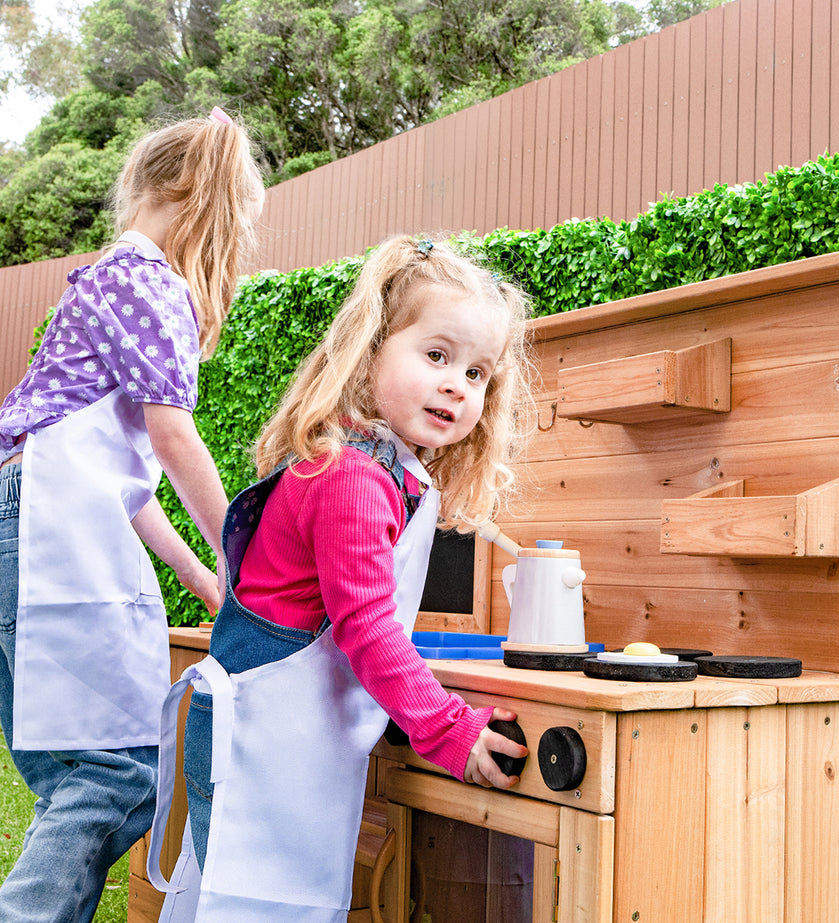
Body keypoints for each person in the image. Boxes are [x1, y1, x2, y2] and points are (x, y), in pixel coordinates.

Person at [147, 235, 535, 921]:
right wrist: (450, 729)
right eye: (436, 355)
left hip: (284, 737)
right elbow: (365, 625)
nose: (456, 383)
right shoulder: (352, 477)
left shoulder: (383, 471)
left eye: (477, 373)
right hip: (263, 742)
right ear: (371, 350)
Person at [0, 108, 264, 923]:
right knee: (112, 774)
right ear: (193, 193)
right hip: (40, 519)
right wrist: (245, 553)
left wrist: (197, 571)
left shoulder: (115, 279)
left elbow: (130, 479)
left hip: (35, 510)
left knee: (84, 774)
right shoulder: (147, 280)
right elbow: (172, 436)